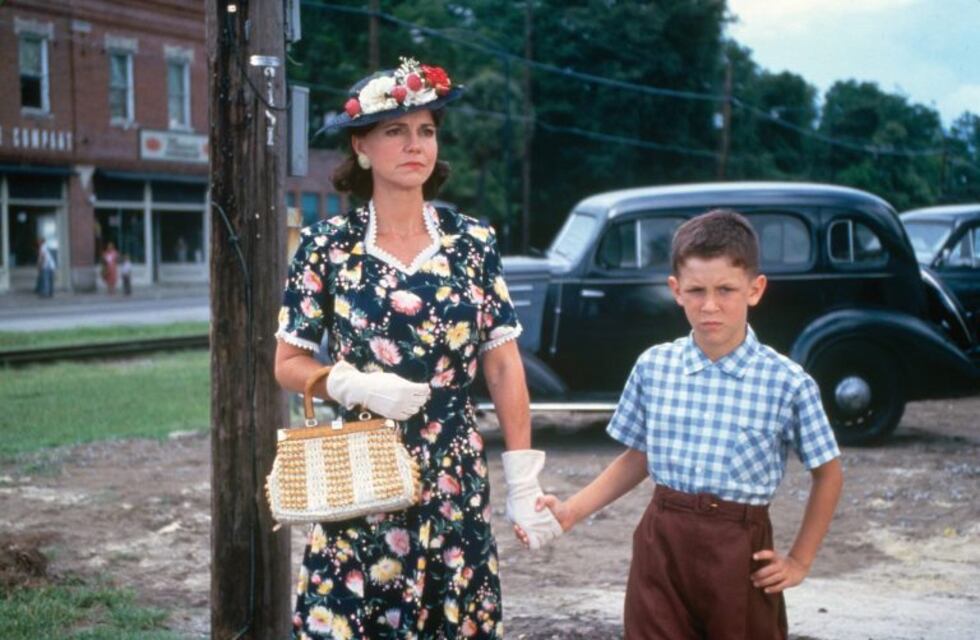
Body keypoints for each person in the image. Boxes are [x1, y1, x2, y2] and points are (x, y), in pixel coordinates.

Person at [274, 56, 561, 639]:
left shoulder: (472, 243)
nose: (415, 145)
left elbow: (503, 367)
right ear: (362, 147)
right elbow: (287, 362)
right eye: (395, 131)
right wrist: (352, 383)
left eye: (426, 130)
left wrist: (523, 478)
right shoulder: (326, 247)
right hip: (361, 470)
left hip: (454, 472)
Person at [524, 210, 843, 639]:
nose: (710, 305)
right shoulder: (655, 366)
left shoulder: (787, 382)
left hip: (739, 549)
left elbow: (828, 473)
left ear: (755, 289)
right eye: (696, 291)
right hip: (662, 544)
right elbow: (638, 456)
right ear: (676, 290)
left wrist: (800, 560)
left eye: (726, 290)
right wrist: (571, 511)